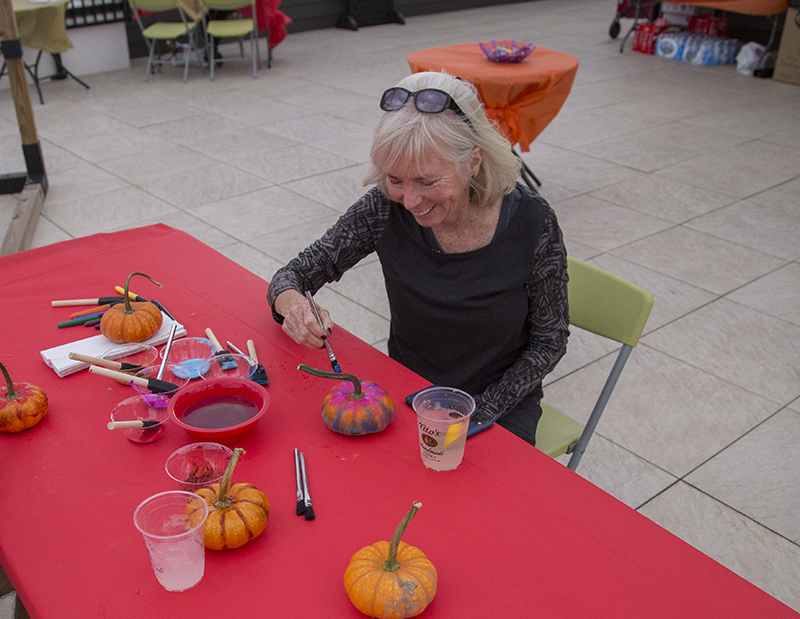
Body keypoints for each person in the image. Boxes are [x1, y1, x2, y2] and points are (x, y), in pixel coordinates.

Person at [267, 71, 569, 446]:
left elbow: (550, 340)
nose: (410, 201)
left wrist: (479, 411)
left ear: (473, 162)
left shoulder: (532, 222)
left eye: (427, 182)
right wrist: (295, 306)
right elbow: (292, 276)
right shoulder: (383, 208)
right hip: (407, 387)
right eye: (396, 179)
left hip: (499, 403)